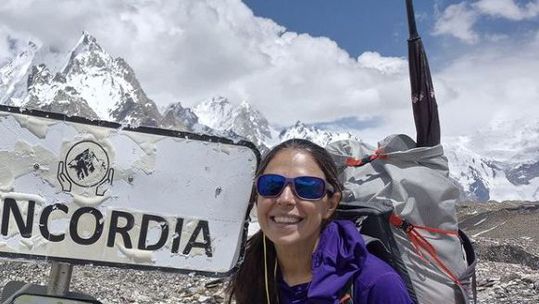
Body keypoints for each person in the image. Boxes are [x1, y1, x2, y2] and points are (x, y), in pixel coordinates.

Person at [227, 138, 412, 304]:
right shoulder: (251, 272)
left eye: (307, 187)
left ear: (330, 204)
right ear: (256, 197)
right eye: (271, 184)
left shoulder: (376, 284)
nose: (285, 199)